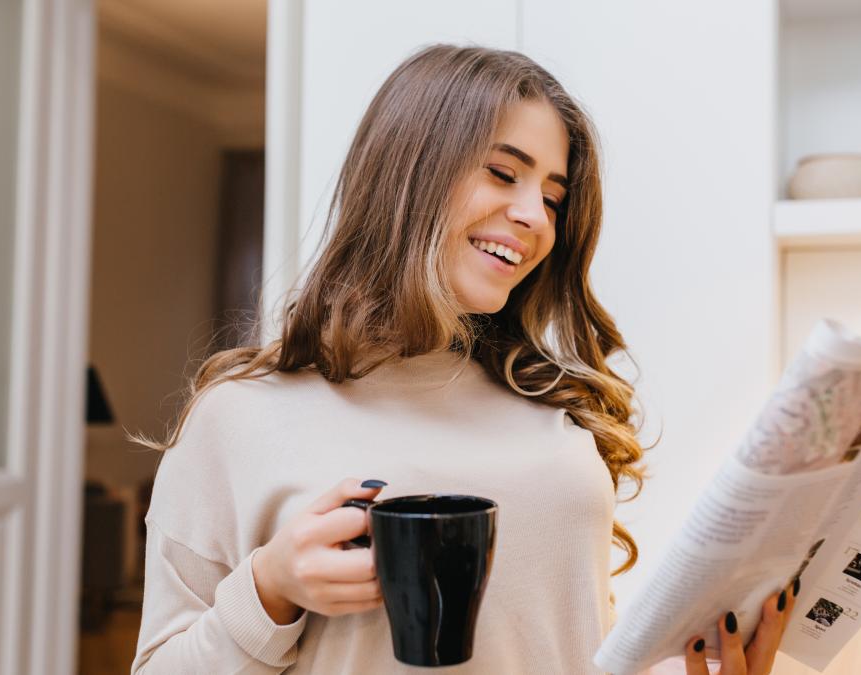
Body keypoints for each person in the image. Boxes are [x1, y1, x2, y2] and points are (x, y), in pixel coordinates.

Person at [129, 44, 795, 674]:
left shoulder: (549, 410)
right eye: (503, 173)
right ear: (407, 176)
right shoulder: (242, 417)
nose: (535, 214)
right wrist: (270, 587)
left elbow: (562, 643)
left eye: (554, 198)